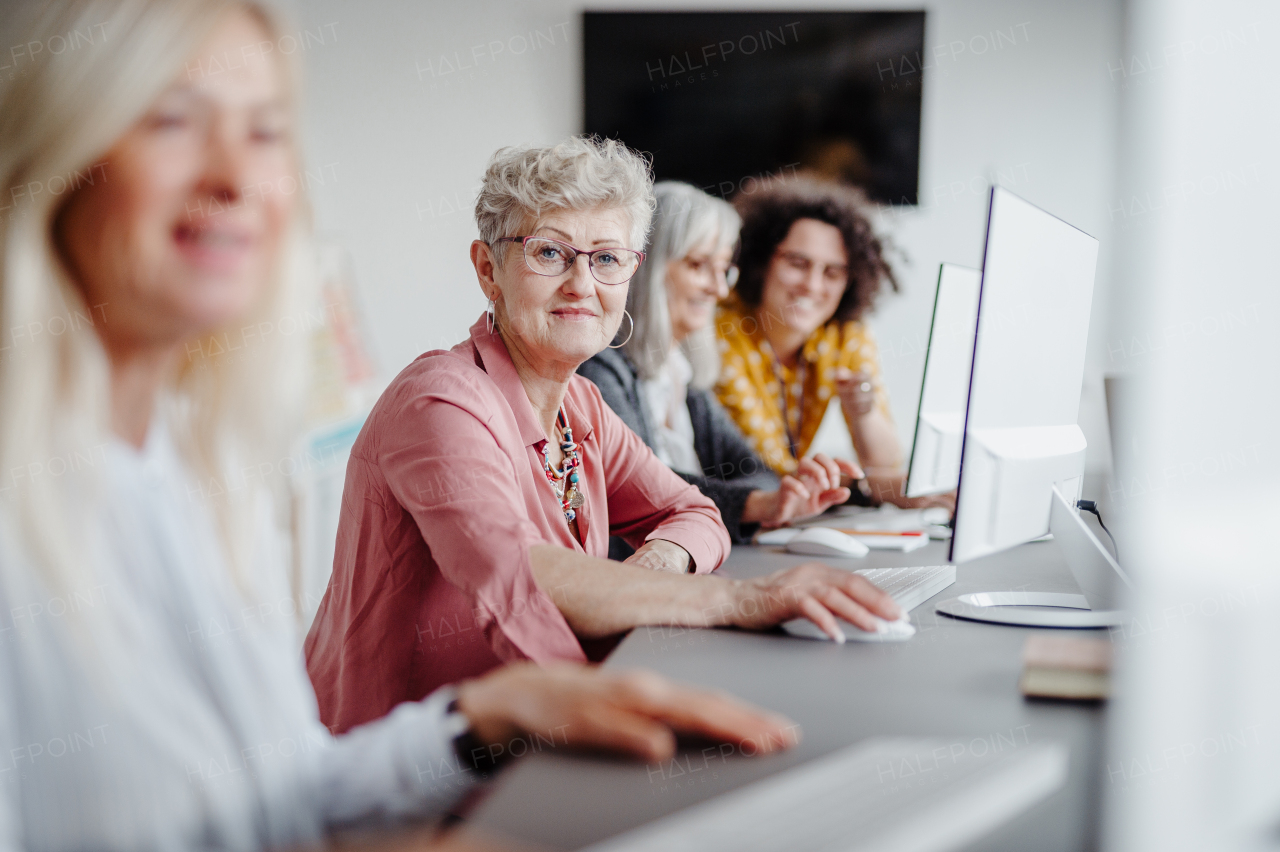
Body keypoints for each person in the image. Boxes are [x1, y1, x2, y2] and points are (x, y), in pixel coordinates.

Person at [0, 3, 799, 849]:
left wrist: (489, 713)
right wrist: (726, 604)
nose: (235, 176)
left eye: (267, 132)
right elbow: (515, 580)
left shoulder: (185, 468)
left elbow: (278, 792)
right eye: (171, 119)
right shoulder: (438, 399)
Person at [305, 139, 904, 733]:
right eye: (549, 253)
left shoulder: (582, 405)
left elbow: (696, 511)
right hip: (404, 774)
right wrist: (748, 600)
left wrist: (654, 569)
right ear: (489, 269)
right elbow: (517, 576)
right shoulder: (439, 400)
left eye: (607, 259)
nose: (581, 284)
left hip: (535, 735)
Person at [578, 181, 860, 555]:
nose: (719, 289)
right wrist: (755, 504)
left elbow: (755, 470)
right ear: (644, 268)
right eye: (698, 265)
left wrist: (777, 494)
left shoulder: (681, 373)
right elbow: (639, 488)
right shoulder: (598, 369)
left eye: (723, 269)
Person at [714, 176, 953, 510]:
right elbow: (769, 467)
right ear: (761, 262)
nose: (812, 285)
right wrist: (869, 488)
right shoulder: (719, 329)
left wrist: (863, 413)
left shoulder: (843, 334)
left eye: (832, 273)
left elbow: (887, 464)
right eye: (798, 263)